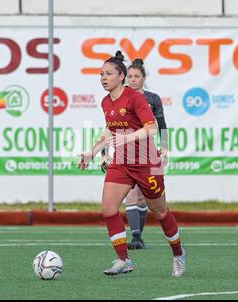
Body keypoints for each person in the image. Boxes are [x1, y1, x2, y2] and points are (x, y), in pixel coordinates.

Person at [78, 51, 186, 278]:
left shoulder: (136, 98)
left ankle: (178, 253)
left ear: (121, 76)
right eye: (101, 74)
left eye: (108, 74)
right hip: (122, 162)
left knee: (160, 211)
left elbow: (153, 128)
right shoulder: (106, 102)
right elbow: (109, 130)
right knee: (108, 209)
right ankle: (123, 259)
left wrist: (127, 138)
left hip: (148, 162)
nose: (103, 78)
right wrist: (93, 152)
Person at [101, 58, 169, 250]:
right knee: (130, 197)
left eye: (136, 76)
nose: (132, 79)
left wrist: (164, 147)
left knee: (151, 203)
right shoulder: (112, 100)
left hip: (148, 155)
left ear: (143, 78)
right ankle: (136, 236)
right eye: (130, 76)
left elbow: (160, 125)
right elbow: (110, 128)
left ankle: (172, 247)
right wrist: (103, 152)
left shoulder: (151, 99)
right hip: (124, 157)